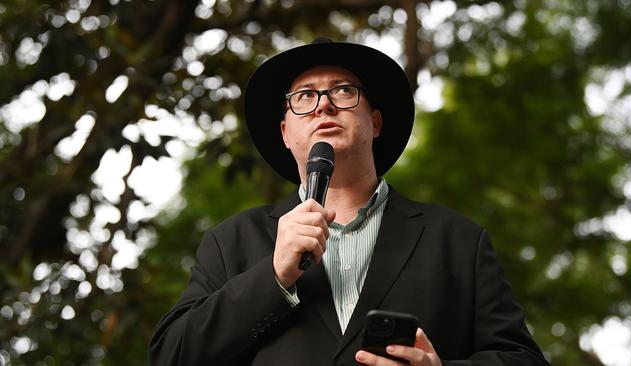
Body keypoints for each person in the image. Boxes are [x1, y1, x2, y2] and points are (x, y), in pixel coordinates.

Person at [149, 38, 549, 366]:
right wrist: (271, 277)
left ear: (374, 123)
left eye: (343, 90)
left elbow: (524, 359)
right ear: (286, 133)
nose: (324, 104)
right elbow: (170, 356)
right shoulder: (230, 241)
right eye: (305, 96)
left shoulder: (459, 240)